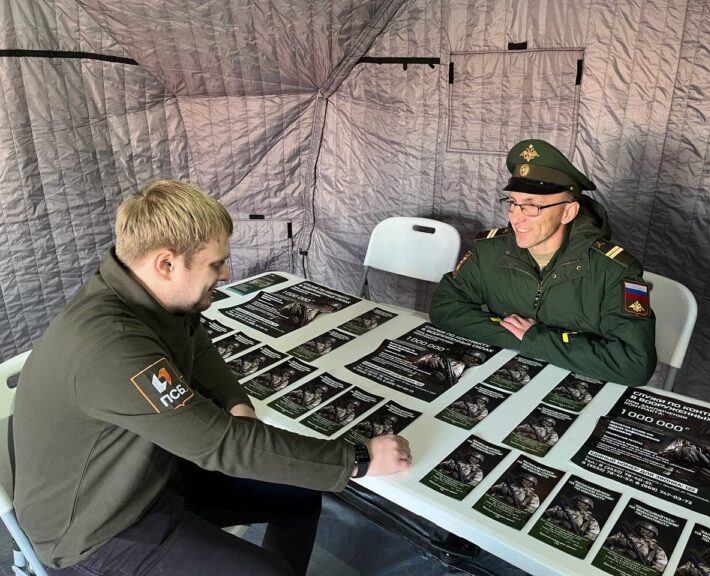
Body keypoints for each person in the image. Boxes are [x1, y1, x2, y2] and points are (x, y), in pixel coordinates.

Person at [12, 180, 412, 576]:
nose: (227, 272)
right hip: (94, 531)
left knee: (302, 494)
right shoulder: (112, 345)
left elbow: (196, 344)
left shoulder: (148, 295)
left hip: (147, 471)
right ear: (166, 263)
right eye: (216, 263)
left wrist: (234, 401)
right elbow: (220, 444)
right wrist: (358, 460)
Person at [429, 139, 656, 386]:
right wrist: (519, 336)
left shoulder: (614, 271)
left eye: (532, 207)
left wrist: (536, 339)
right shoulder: (490, 251)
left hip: (578, 388)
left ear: (568, 212)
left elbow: (634, 364)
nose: (516, 217)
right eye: (513, 203)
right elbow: (445, 308)